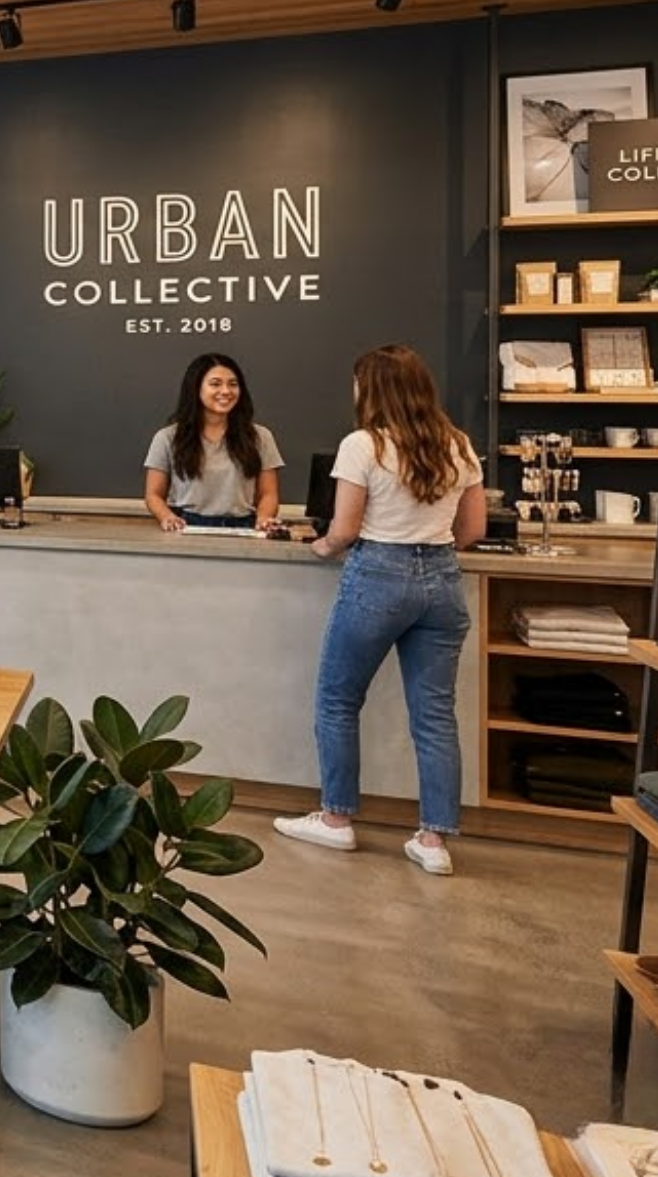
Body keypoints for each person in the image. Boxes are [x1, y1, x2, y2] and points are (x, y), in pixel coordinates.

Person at [275, 345, 486, 878]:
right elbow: (473, 532)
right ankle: (434, 840)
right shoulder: (458, 445)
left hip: (377, 576)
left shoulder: (362, 445)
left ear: (372, 390)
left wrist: (320, 546)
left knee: (338, 700)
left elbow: (344, 529)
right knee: (435, 716)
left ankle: (336, 819)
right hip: (441, 580)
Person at [142, 352, 285, 530]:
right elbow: (153, 494)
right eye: (215, 384)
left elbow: (268, 494)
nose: (226, 391)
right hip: (185, 526)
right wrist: (167, 517)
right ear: (196, 388)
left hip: (244, 527)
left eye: (233, 384)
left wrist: (264, 518)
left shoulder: (261, 436)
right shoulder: (167, 437)